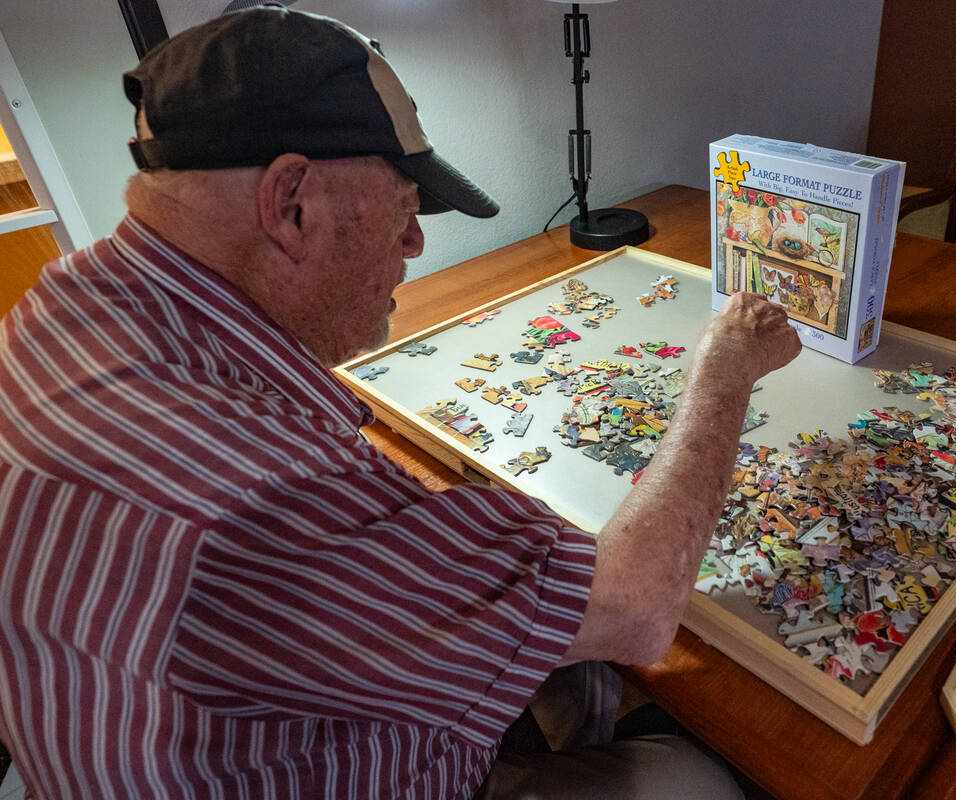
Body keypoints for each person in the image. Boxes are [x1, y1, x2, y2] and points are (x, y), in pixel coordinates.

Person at [0, 7, 802, 799]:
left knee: (569, 659)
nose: (415, 243)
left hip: (156, 739)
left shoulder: (54, 308)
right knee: (695, 778)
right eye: (406, 208)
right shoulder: (264, 492)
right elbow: (637, 607)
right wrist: (723, 370)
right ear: (292, 204)